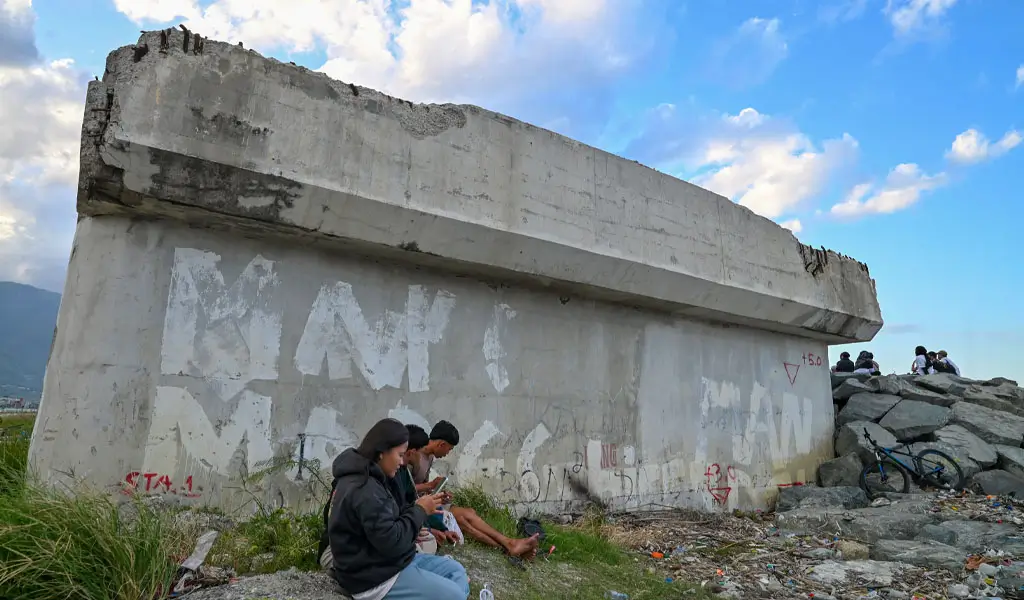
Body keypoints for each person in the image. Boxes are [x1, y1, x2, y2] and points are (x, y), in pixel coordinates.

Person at [327, 418, 470, 600]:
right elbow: (392, 543)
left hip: (392, 562)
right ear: (382, 452)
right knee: (456, 594)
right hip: (374, 577)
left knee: (455, 571)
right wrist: (419, 511)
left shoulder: (379, 476)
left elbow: (390, 523)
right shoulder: (363, 487)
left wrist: (415, 523)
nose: (402, 462)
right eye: (400, 455)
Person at [410, 421, 540, 559]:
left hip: (428, 502)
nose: (448, 453)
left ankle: (509, 544)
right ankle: (507, 547)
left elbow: (422, 488)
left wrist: (437, 493)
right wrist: (429, 486)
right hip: (418, 508)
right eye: (449, 449)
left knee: (469, 513)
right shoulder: (414, 456)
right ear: (441, 444)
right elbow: (406, 489)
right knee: (462, 519)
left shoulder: (429, 457)